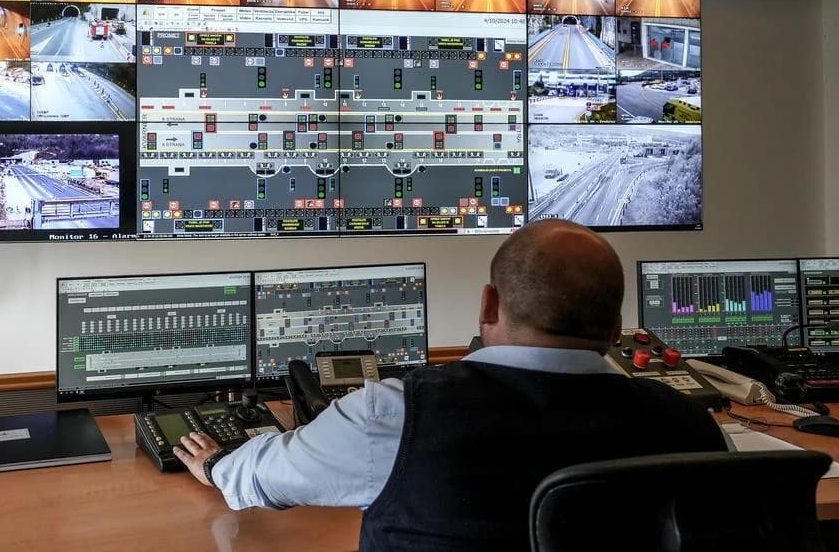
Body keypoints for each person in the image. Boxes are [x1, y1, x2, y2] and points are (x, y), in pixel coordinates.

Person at [171, 219, 727, 552]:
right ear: (616, 327)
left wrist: (217, 463)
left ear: (488, 306)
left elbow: (263, 477)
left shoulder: (395, 414)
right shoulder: (692, 427)